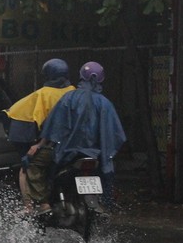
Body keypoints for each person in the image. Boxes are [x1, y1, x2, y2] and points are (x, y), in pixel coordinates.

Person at [25, 61, 126, 213]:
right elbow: (115, 134)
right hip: (95, 154)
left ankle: (44, 203)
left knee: (34, 163)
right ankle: (102, 204)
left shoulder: (69, 98)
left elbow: (54, 127)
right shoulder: (105, 103)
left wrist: (39, 145)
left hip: (67, 152)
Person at [5, 58, 75, 211]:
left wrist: (38, 145)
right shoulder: (74, 92)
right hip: (78, 147)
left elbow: (40, 122)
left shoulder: (43, 95)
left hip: (53, 147)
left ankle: (32, 206)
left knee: (27, 167)